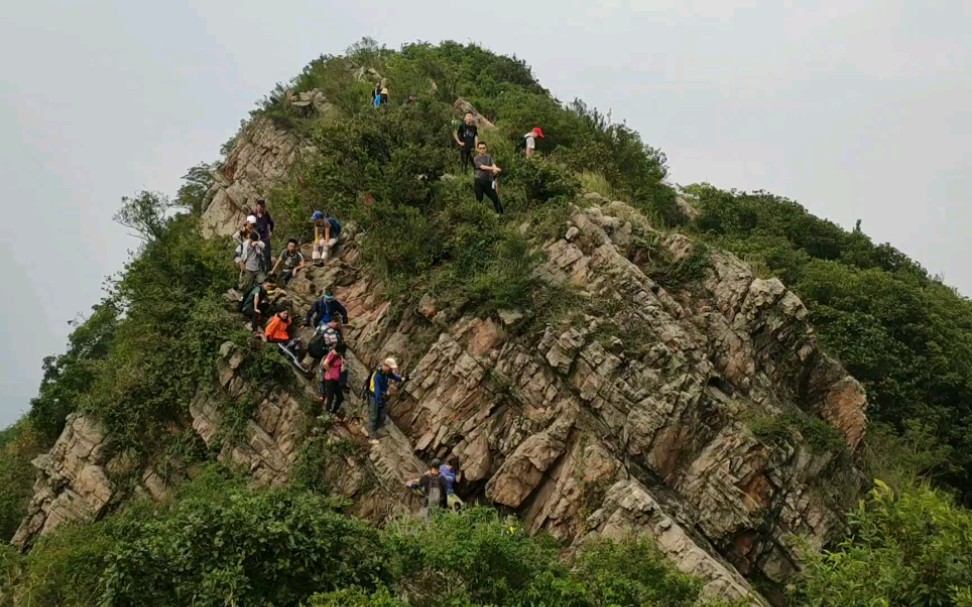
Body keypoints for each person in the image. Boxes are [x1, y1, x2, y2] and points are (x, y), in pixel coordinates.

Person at [365, 357, 404, 444]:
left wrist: (402, 379)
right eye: (391, 368)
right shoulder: (377, 376)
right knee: (374, 416)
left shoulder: (386, 373)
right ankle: (371, 438)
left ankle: (369, 429)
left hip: (381, 397)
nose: (391, 370)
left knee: (382, 416)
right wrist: (379, 403)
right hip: (374, 398)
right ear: (386, 366)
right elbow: (376, 391)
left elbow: (394, 377)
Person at [473, 142, 503, 214]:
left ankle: (501, 214)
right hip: (479, 181)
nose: (482, 150)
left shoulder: (489, 157)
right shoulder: (476, 158)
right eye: (480, 148)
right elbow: (483, 167)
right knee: (479, 200)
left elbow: (493, 164)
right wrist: (493, 169)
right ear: (477, 149)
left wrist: (495, 169)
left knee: (495, 197)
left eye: (484, 148)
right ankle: (479, 216)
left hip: (487, 181)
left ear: (486, 148)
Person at [320, 343, 347, 416]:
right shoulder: (332, 354)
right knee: (330, 397)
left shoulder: (339, 355)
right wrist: (332, 373)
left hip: (336, 380)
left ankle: (333, 412)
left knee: (340, 398)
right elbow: (325, 364)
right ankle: (327, 414)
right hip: (330, 379)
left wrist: (343, 363)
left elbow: (342, 367)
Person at [251, 199, 275, 272]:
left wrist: (270, 231)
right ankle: (260, 271)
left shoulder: (266, 214)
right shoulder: (252, 214)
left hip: (265, 237)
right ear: (256, 206)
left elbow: (271, 223)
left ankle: (269, 271)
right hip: (256, 238)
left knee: (267, 255)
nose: (261, 208)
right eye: (259, 206)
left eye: (262, 206)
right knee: (258, 255)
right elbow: (248, 224)